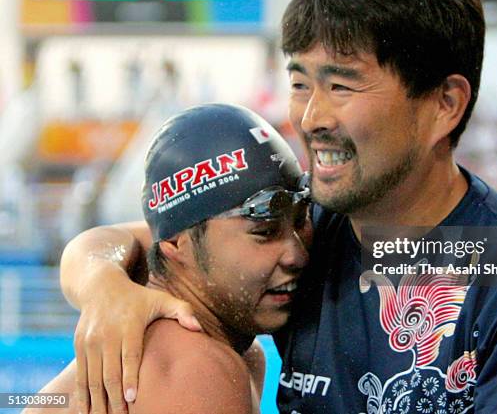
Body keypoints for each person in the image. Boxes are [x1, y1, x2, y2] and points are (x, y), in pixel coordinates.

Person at [59, 0, 497, 414]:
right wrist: (103, 286)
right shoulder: (308, 236)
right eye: (301, 83)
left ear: (444, 104)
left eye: (342, 86)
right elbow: (151, 236)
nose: (310, 117)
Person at [27, 104, 311, 413]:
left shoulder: (235, 352)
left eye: (300, 221)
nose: (297, 255)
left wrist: (100, 281)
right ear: (177, 244)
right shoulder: (196, 370)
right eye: (265, 232)